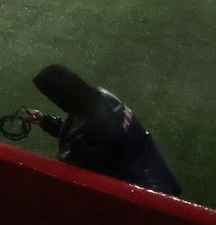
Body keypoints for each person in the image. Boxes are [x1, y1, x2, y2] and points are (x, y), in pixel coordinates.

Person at [23, 64, 181, 196]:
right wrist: (45, 121)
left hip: (144, 195)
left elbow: (64, 172)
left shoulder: (92, 131)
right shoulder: (100, 97)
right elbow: (81, 132)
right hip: (158, 173)